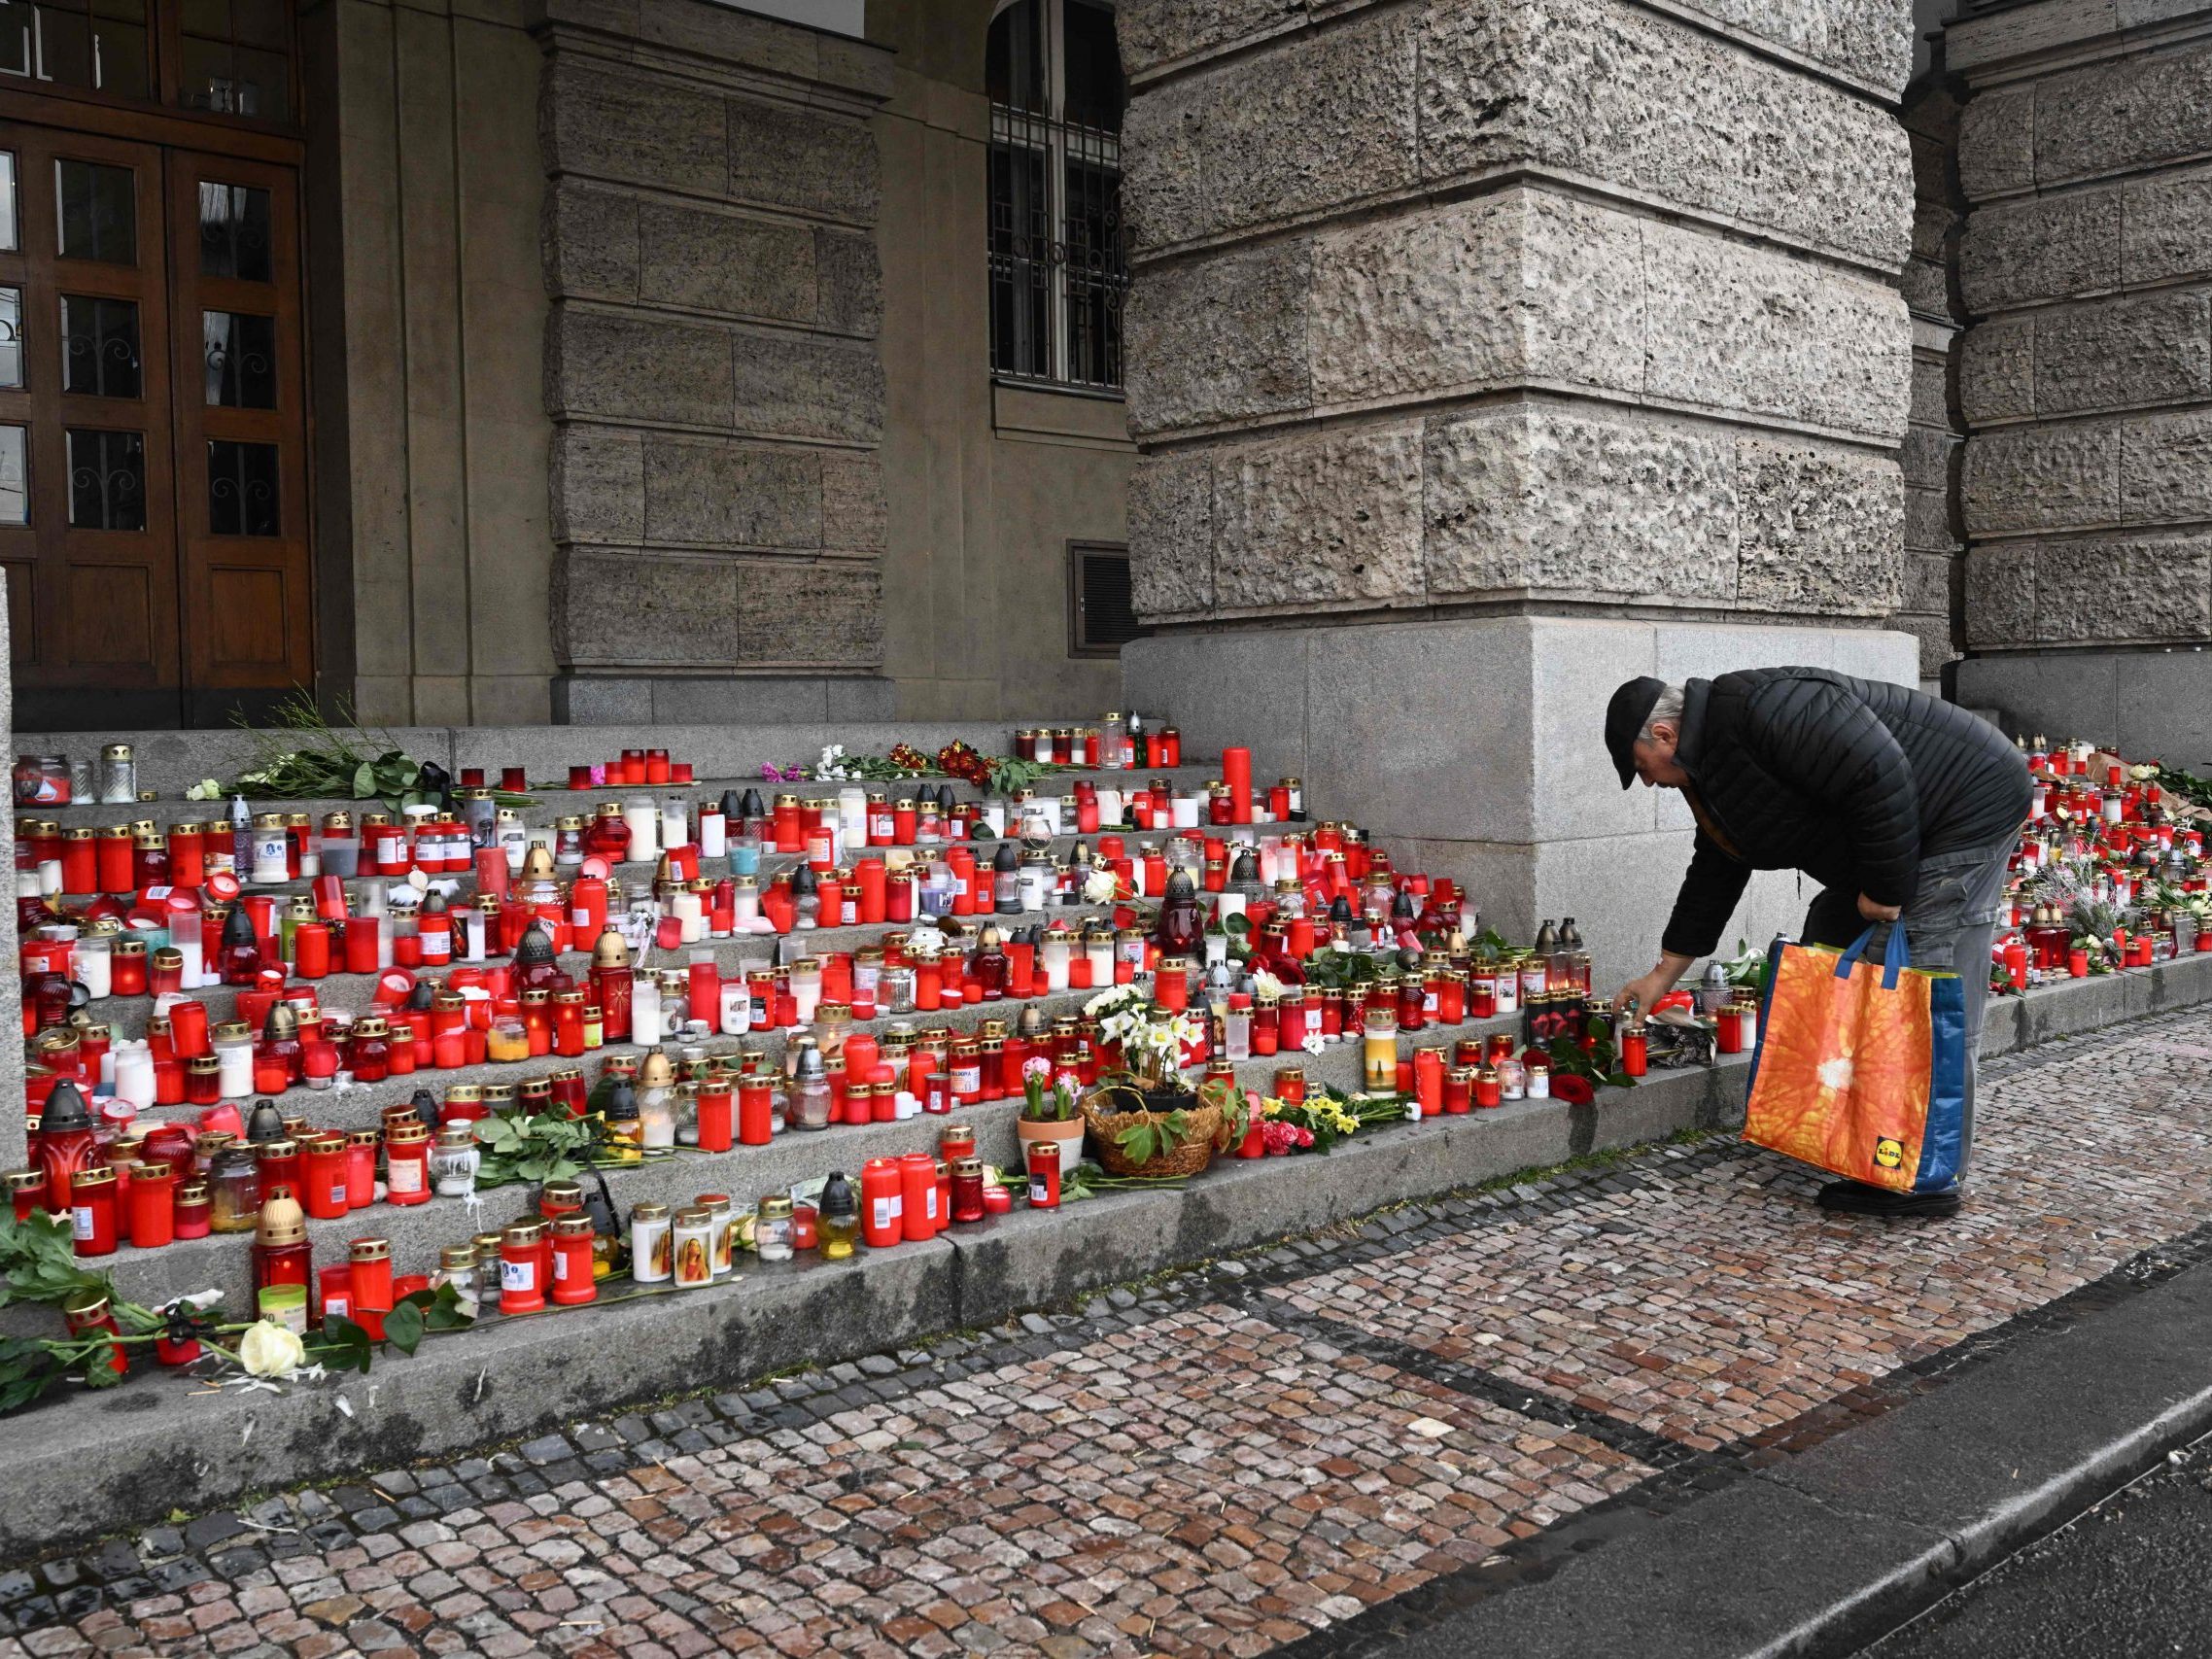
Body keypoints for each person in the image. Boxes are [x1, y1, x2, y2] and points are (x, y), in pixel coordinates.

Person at [1604, 670, 2031, 1217]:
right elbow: (1717, 865)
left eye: (1641, 768)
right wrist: (1662, 974)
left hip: (1967, 802)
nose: (1649, 783)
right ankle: (1850, 1129)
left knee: (1914, 989)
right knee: (1830, 931)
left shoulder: (1770, 709)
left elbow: (1880, 774)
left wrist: (1883, 889)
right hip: (1910, 825)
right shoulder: (1710, 765)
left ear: (1664, 735)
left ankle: (1919, 1177)